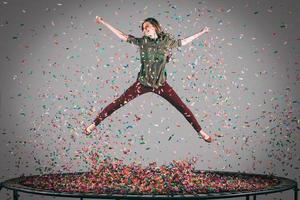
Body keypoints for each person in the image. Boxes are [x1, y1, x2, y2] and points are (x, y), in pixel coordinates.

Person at [84, 16, 212, 143]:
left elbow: (183, 42)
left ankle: (201, 132)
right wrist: (103, 22)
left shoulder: (166, 42)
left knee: (182, 107)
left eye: (147, 27)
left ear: (155, 27)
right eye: (143, 28)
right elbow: (123, 36)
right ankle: (93, 125)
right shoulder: (142, 42)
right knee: (118, 103)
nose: (145, 30)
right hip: (142, 83)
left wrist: (201, 32)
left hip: (161, 85)